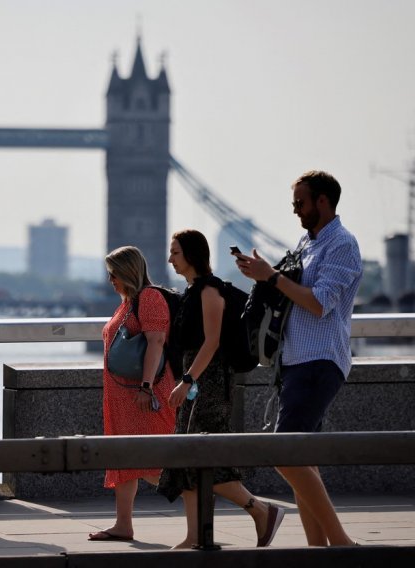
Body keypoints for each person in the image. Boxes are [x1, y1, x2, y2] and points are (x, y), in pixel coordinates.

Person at [234, 170, 361, 547]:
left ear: (323, 201)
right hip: (296, 361)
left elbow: (320, 303)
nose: (295, 211)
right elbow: (290, 293)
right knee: (303, 458)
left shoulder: (342, 244)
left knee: (285, 452)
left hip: (320, 361)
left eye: (300, 203)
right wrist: (263, 277)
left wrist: (272, 277)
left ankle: (340, 544)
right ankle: (317, 549)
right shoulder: (307, 242)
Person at [157, 230, 284, 549]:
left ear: (191, 254)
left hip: (209, 383)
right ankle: (195, 535)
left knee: (204, 457)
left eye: (175, 252)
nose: (170, 258)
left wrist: (187, 381)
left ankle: (262, 511)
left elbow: (211, 342)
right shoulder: (188, 292)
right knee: (186, 458)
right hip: (196, 378)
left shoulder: (209, 290)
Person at [88, 246, 177, 541]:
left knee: (155, 463)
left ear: (127, 272)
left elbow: (156, 342)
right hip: (122, 397)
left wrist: (146, 386)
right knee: (125, 460)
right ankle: (123, 524)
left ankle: (240, 500)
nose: (110, 279)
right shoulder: (126, 304)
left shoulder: (149, 298)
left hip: (142, 396)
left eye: (113, 273)